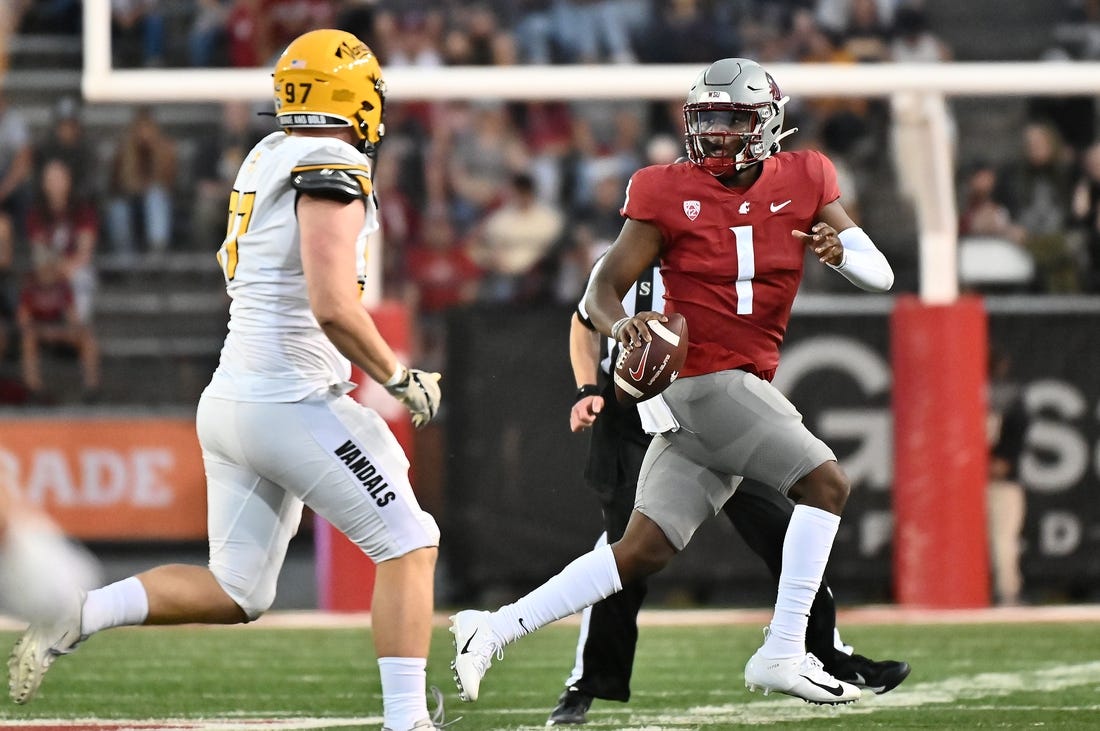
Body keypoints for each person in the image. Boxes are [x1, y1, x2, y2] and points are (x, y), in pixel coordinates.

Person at [8, 29, 448, 731]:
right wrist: (397, 375)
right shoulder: (331, 159)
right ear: (351, 96)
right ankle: (407, 722)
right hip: (289, 400)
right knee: (409, 541)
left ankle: (79, 611)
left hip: (232, 398)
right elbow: (333, 304)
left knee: (236, 589)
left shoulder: (268, 152)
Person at [451, 57, 895, 708]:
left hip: (721, 394)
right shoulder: (663, 190)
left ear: (767, 124)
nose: (713, 134)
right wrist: (623, 328)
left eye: (730, 120)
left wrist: (841, 251)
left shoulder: (808, 175)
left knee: (638, 551)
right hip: (701, 379)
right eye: (705, 119)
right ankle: (783, 648)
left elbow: (879, 272)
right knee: (826, 482)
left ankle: (490, 629)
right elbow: (601, 288)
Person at [544, 256, 910, 724]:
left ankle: (828, 655)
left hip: (708, 415)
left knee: (785, 532)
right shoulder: (623, 262)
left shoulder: (716, 258)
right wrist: (585, 388)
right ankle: (585, 684)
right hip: (633, 422)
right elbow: (583, 323)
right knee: (625, 556)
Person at [987, 346, 1030, 606]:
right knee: (1004, 539)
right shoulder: (1011, 401)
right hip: (1001, 483)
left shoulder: (967, 395)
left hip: (969, 483)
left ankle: (1001, 591)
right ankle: (1006, 591)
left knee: (998, 540)